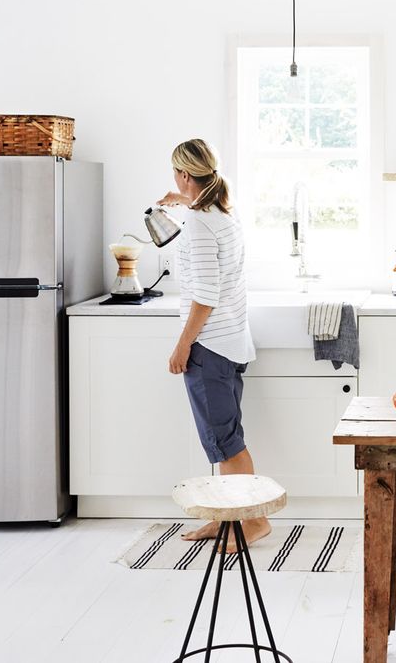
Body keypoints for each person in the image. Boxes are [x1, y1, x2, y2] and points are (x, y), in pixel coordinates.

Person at [158, 138, 267, 550]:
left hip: (210, 347)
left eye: (177, 173)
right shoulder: (221, 214)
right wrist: (186, 202)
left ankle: (252, 523)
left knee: (227, 444)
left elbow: (205, 295)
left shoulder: (201, 224)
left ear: (184, 175)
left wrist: (182, 346)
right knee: (223, 441)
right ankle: (226, 519)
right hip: (230, 342)